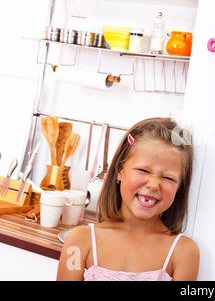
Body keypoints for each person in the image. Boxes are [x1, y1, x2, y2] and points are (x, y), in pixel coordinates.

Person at [57, 117, 199, 281]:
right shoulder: (78, 241)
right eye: (143, 170)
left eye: (168, 178)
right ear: (120, 171)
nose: (153, 185)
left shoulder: (184, 253)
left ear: (179, 187)